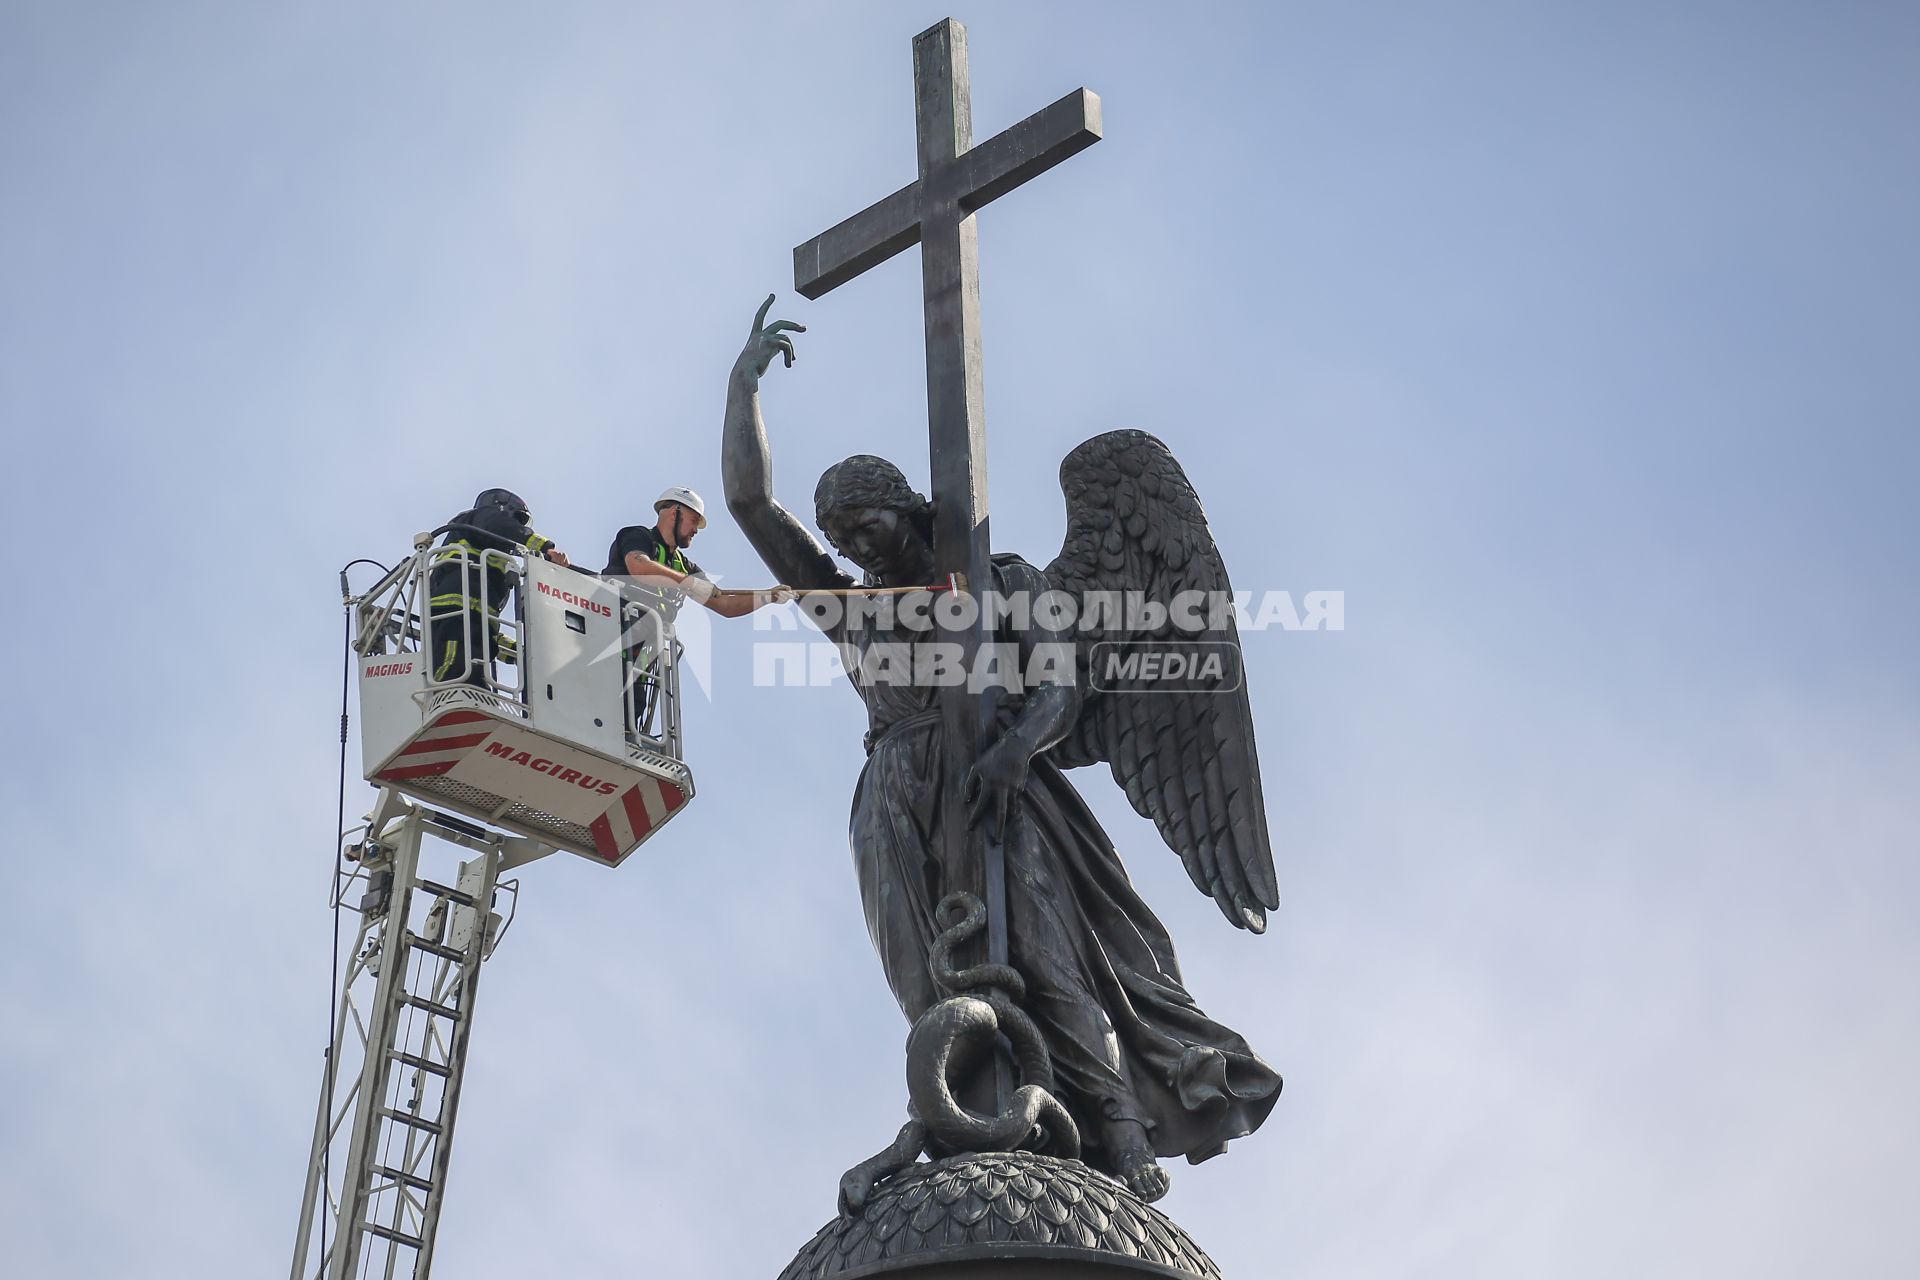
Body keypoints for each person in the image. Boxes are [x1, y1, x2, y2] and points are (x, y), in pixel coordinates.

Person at [719, 300, 1279, 1203]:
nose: (852, 550)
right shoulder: (849, 607)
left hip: (1001, 780)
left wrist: (1016, 749)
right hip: (894, 796)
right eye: (839, 539)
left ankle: (1125, 1134)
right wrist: (741, 389)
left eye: (866, 527)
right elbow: (749, 504)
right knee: (925, 976)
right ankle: (966, 1108)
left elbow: (1061, 685)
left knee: (1054, 958)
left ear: (905, 509)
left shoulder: (1001, 582)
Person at [602, 485, 787, 730]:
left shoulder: (683, 565)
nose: (695, 531)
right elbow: (639, 567)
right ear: (673, 512)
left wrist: (768, 596)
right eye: (693, 521)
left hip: (638, 659)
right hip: (608, 637)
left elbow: (724, 604)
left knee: (628, 717)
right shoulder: (638, 537)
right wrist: (688, 583)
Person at [427, 487, 568, 687]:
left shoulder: (489, 558)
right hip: (458, 604)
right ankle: (448, 692)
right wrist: (546, 548)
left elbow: (491, 637)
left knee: (475, 659)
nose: (515, 524)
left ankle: (471, 694)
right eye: (515, 519)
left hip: (470, 609)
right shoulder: (482, 517)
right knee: (455, 661)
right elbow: (501, 526)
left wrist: (522, 653)